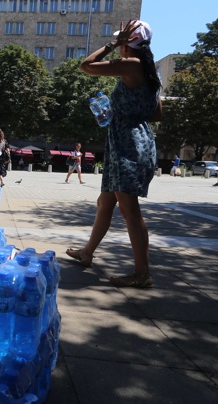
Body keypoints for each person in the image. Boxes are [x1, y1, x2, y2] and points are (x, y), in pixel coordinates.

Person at [69, 19, 162, 288]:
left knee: (129, 209)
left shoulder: (133, 64)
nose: (119, 45)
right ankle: (87, 253)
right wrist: (124, 111)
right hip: (131, 139)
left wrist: (111, 44)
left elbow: (86, 66)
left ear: (128, 42)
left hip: (128, 145)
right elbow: (156, 113)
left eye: (122, 40)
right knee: (105, 202)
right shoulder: (148, 70)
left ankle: (142, 273)